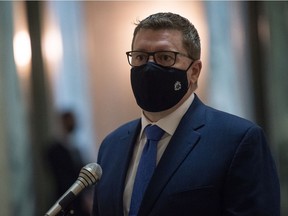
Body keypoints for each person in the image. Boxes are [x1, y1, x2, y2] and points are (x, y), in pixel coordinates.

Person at [92, 12, 280, 216]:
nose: (149, 67)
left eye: (165, 57)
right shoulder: (112, 146)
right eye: (140, 57)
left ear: (194, 71)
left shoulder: (238, 141)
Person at [46, 111, 92, 216]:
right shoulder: (53, 151)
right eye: (68, 121)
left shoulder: (77, 149)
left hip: (81, 204)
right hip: (65, 202)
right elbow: (61, 178)